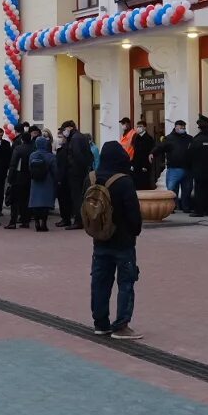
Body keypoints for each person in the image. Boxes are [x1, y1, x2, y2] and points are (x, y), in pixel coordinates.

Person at [87, 140, 144, 339]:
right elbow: (134, 215)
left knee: (100, 282)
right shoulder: (124, 181)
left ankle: (100, 323)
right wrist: (134, 232)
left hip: (100, 240)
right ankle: (121, 326)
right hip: (123, 242)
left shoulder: (92, 178)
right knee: (126, 283)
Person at [62, 123, 94, 230]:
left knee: (76, 197)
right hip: (82, 171)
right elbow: (88, 155)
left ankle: (78, 220)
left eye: (64, 129)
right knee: (81, 195)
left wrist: (72, 165)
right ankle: (82, 219)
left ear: (70, 127)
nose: (64, 132)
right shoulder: (82, 136)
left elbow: (76, 154)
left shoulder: (75, 139)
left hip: (75, 172)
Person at [188, 115, 208, 216]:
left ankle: (199, 211)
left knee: (199, 190)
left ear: (200, 127)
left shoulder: (198, 139)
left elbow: (190, 153)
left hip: (198, 169)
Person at [25, 132, 57, 231]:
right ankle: (44, 223)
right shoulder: (51, 156)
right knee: (45, 205)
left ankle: (37, 222)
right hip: (47, 182)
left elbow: (29, 168)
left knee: (36, 204)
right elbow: (55, 171)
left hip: (35, 182)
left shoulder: (32, 155)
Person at [5, 126, 32, 229]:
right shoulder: (33, 148)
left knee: (14, 201)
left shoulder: (18, 149)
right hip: (29, 177)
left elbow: (13, 164)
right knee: (26, 200)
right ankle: (25, 221)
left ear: (21, 139)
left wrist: (10, 178)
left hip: (18, 177)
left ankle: (13, 222)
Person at [162, 120, 193, 211]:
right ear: (176, 127)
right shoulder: (169, 138)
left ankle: (185, 207)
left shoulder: (189, 138)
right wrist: (153, 153)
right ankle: (172, 207)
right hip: (174, 168)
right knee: (172, 190)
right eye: (181, 127)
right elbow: (160, 147)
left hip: (187, 168)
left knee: (187, 189)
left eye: (184, 128)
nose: (183, 129)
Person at [131, 121, 157, 191]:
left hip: (144, 166)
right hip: (136, 165)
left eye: (140, 126)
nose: (138, 128)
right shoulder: (136, 138)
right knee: (136, 184)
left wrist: (146, 165)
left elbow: (149, 153)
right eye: (137, 126)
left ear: (145, 127)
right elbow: (135, 152)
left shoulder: (149, 139)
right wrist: (132, 164)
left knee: (144, 184)